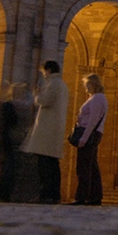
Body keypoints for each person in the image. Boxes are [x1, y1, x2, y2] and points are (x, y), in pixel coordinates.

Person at [20, 61, 69, 204]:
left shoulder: (54, 84)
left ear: (48, 70)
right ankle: (54, 195)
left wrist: (36, 95)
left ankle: (46, 194)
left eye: (44, 72)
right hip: (54, 129)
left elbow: (45, 100)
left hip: (47, 129)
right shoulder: (62, 85)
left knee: (45, 164)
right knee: (53, 164)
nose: (44, 75)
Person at [71, 73, 107, 205]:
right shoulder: (96, 98)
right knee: (91, 165)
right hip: (93, 133)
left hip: (89, 134)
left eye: (87, 85)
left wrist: (84, 138)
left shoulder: (97, 98)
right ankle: (94, 197)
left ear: (94, 84)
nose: (86, 88)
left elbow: (93, 120)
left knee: (83, 166)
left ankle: (82, 197)